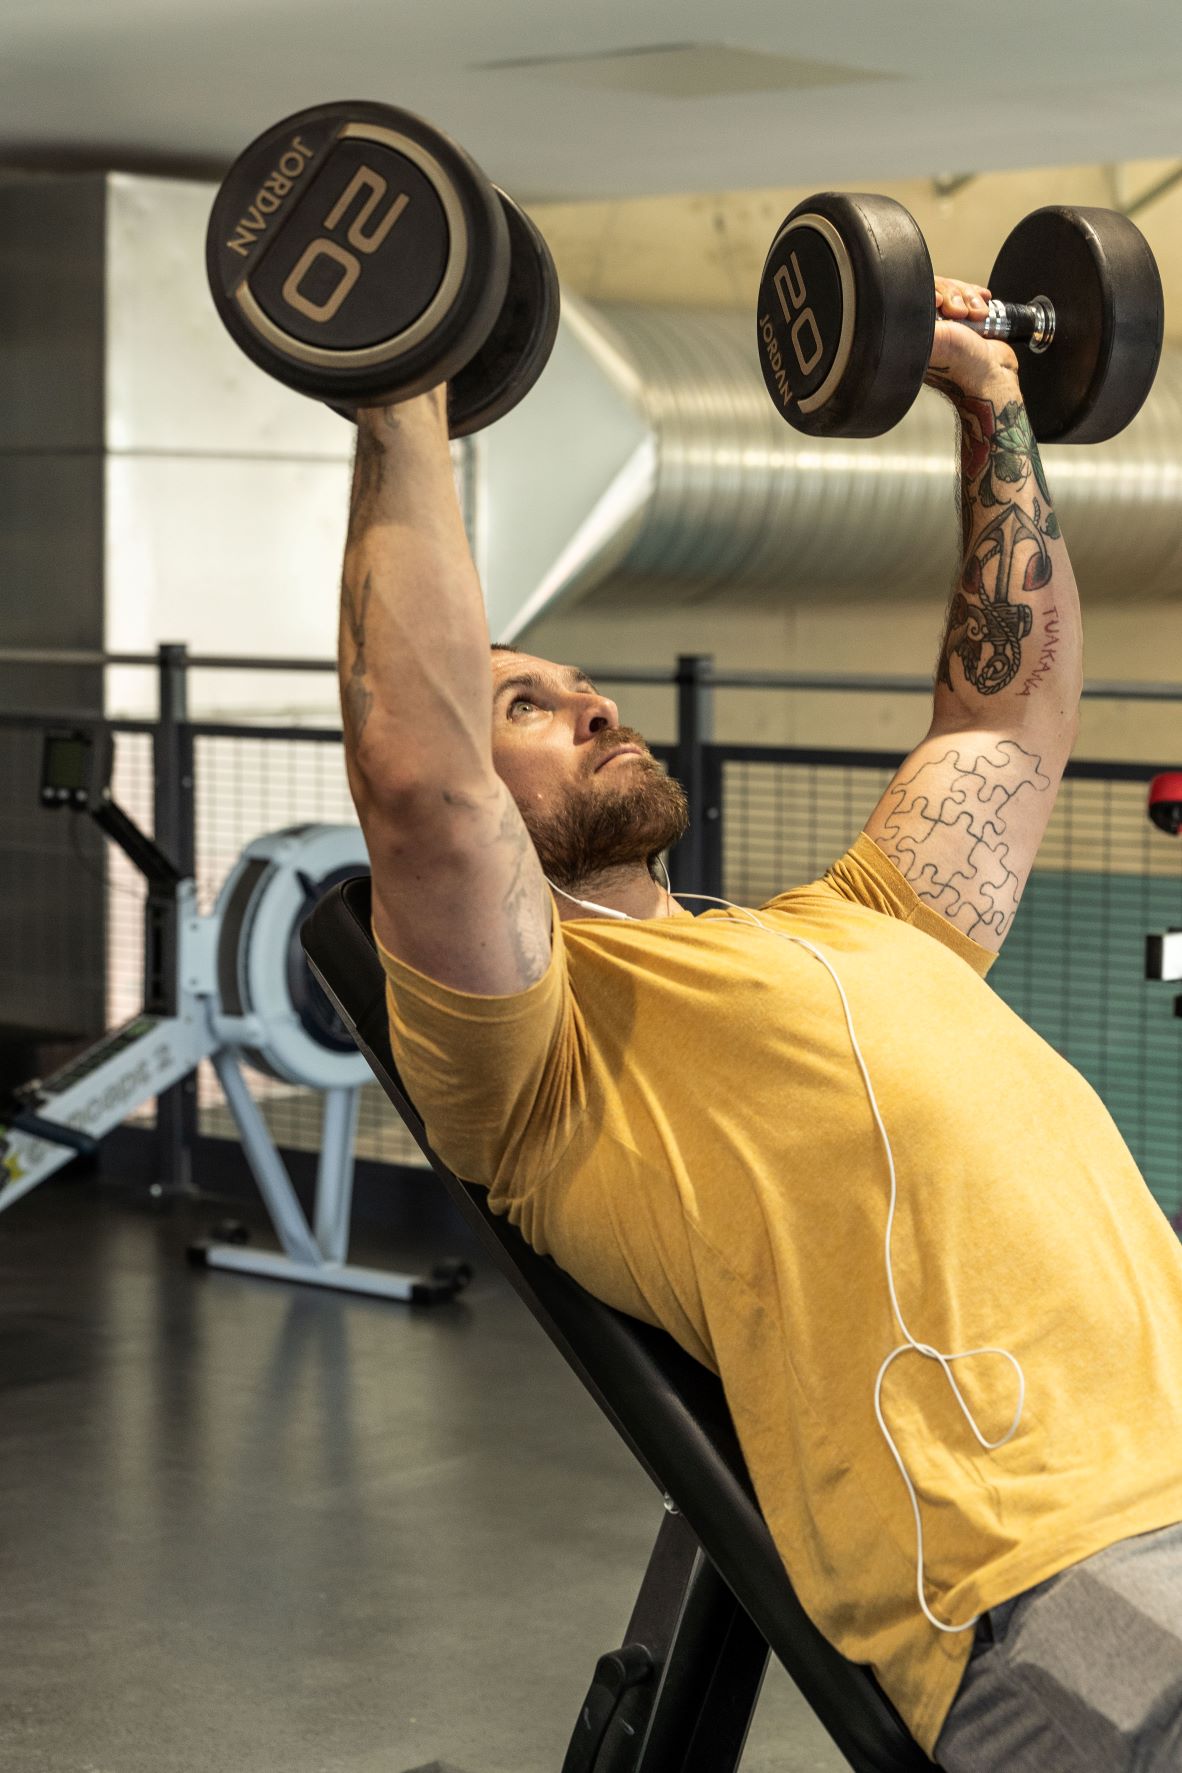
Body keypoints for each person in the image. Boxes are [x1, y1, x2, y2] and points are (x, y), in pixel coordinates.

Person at [336, 275, 1182, 1768]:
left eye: (583, 685)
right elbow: (418, 782)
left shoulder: (868, 916)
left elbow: (1002, 720)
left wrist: (989, 396)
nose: (592, 705)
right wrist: (398, 381)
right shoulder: (541, 1069)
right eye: (526, 704)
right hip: (1046, 1571)